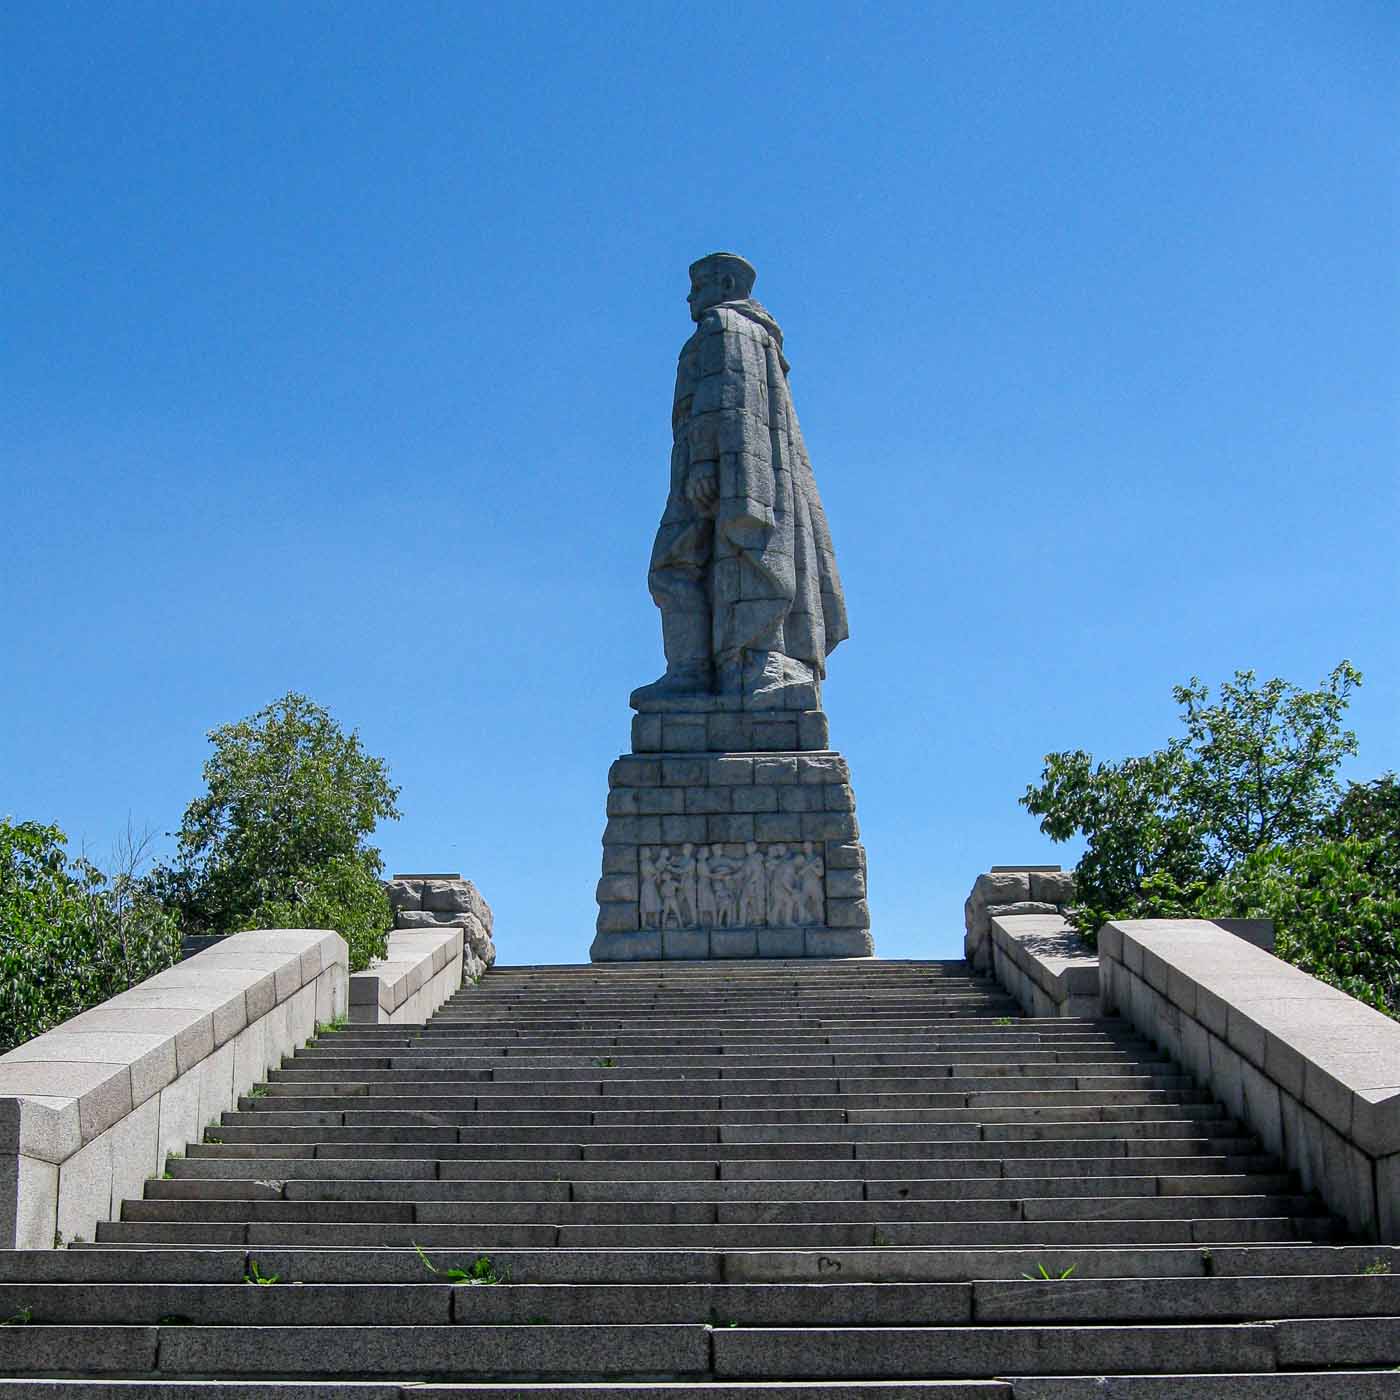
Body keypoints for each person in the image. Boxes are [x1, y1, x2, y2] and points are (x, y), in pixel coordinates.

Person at [631, 253, 848, 709]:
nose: (690, 297)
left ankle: (725, 668)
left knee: (690, 565)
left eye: (699, 285)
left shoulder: (723, 327)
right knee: (723, 561)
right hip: (741, 473)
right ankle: (724, 667)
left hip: (715, 474)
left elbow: (722, 394)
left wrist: (705, 465)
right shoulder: (762, 339)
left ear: (726, 283)